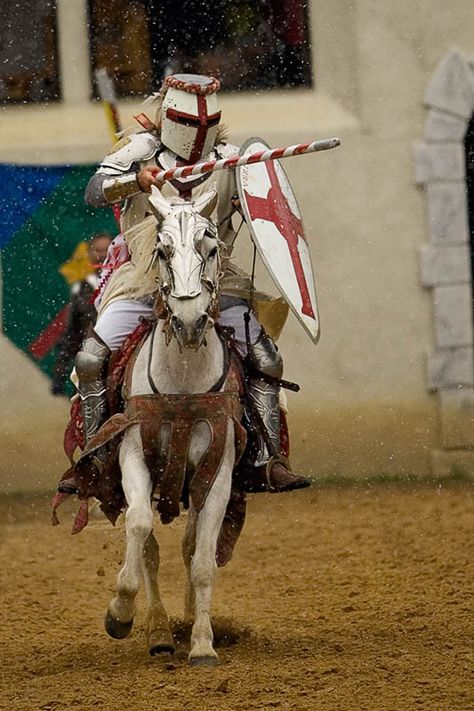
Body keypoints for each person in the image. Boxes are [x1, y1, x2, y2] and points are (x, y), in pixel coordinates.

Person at [62, 73, 309, 495]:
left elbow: (268, 213)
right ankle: (96, 455)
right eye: (187, 123)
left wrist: (243, 206)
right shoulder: (140, 152)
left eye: (202, 125)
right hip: (145, 276)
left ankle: (265, 457)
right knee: (90, 359)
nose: (195, 134)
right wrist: (134, 181)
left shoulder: (234, 161)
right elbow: (93, 191)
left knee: (266, 360)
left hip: (215, 278)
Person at [50, 233, 112, 396]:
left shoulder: (124, 277)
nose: (103, 255)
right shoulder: (82, 285)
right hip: (94, 348)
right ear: (90, 254)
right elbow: (74, 326)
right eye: (98, 250)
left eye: (107, 249)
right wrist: (60, 374)